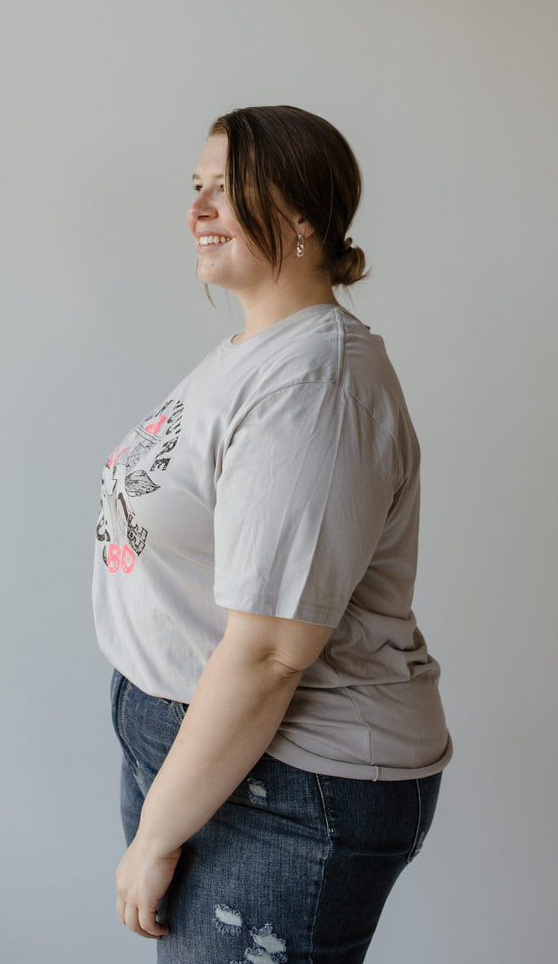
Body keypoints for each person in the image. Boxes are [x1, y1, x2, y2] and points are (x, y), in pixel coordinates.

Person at [92, 105, 452, 964]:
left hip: (292, 784)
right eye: (196, 187)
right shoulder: (255, 354)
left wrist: (153, 837)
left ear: (302, 216)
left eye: (229, 187)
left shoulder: (314, 380)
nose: (198, 209)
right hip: (213, 755)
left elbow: (268, 655)